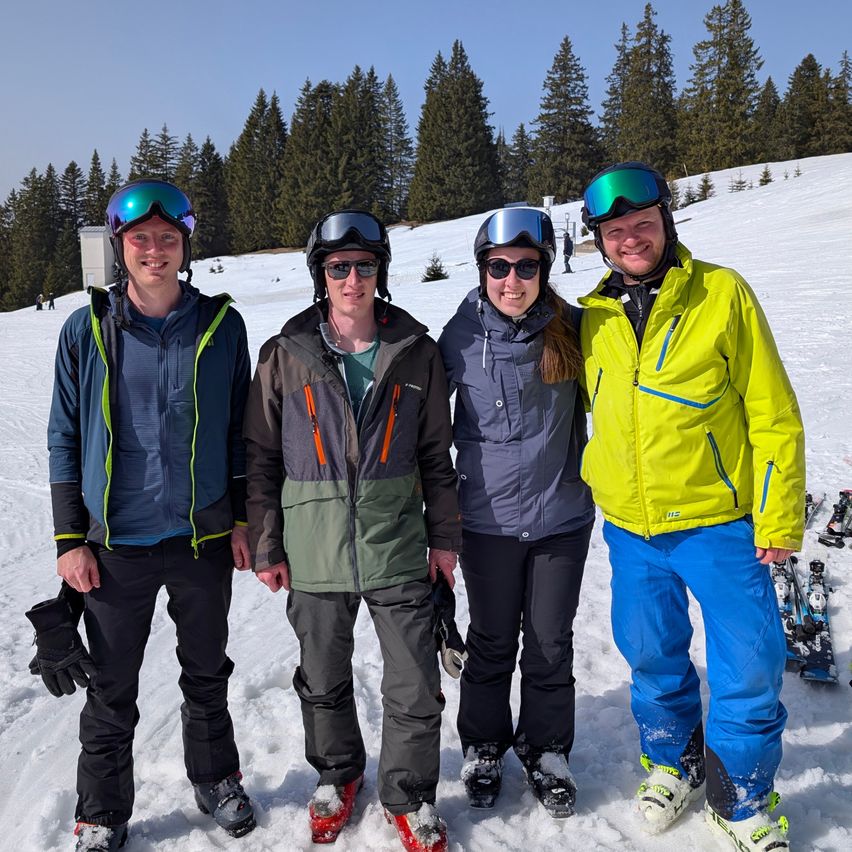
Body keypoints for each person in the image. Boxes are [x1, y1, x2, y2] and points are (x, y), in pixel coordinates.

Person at [578, 161, 804, 849]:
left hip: (720, 524)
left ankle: (739, 795)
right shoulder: (591, 317)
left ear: (666, 223)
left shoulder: (721, 294)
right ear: (600, 241)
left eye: (642, 225)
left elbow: (772, 413)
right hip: (632, 528)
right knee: (650, 651)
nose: (630, 239)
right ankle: (673, 759)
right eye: (615, 232)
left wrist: (779, 515)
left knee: (750, 661)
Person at [43, 178, 255, 851]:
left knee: (206, 671)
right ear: (121, 246)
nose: (155, 250)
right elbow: (64, 437)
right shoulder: (87, 330)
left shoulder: (222, 327)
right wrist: (69, 537)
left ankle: (216, 777)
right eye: (141, 240)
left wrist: (245, 520)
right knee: (109, 689)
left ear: (185, 245)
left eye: (168, 238)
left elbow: (240, 434)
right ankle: (102, 813)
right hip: (115, 546)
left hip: (202, 539)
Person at [244, 209, 462, 852]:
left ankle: (410, 794)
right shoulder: (285, 354)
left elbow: (435, 458)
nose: (352, 278)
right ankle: (337, 777)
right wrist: (265, 543)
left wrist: (444, 542)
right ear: (321, 274)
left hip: (396, 543)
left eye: (364, 266)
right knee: (322, 677)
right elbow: (259, 457)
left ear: (380, 273)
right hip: (312, 548)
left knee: (415, 682)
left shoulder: (417, 353)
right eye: (338, 267)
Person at [437, 208, 594, 818]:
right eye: (498, 267)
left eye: (526, 267)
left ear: (544, 269)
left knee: (551, 643)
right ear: (482, 271)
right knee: (493, 640)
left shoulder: (575, 330)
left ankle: (547, 749)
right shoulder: (456, 338)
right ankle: (483, 745)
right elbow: (423, 431)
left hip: (561, 520)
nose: (512, 279)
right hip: (487, 523)